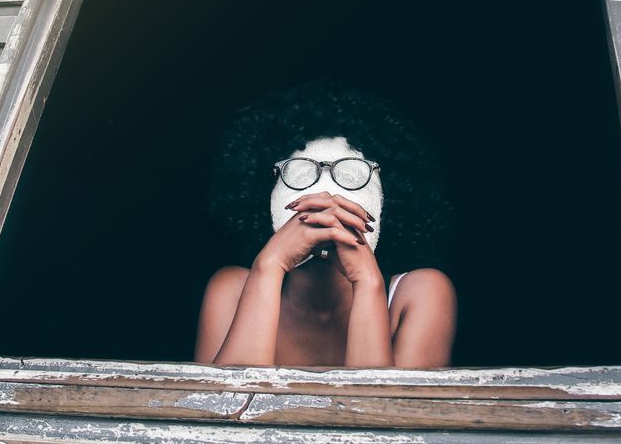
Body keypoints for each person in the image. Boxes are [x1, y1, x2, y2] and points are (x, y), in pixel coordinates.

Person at [194, 78, 457, 368]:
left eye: (352, 177)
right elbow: (223, 408)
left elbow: (379, 411)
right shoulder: (232, 289)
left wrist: (367, 282)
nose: (327, 199)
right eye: (300, 174)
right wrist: (270, 265)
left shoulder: (420, 293)